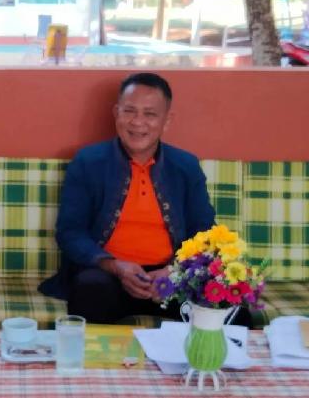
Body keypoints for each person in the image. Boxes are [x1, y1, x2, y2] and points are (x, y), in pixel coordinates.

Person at [39, 72, 217, 325]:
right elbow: (70, 232)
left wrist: (174, 271)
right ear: (116, 113)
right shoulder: (88, 162)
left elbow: (205, 232)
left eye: (150, 114)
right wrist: (115, 266)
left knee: (229, 307)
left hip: (170, 278)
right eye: (129, 111)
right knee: (91, 289)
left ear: (167, 120)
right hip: (108, 275)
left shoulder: (185, 166)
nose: (138, 122)